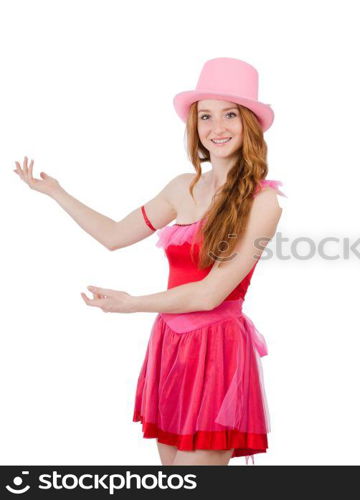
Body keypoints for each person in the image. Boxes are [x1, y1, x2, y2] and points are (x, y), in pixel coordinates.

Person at [13, 57, 284, 466]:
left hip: (217, 351)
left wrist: (131, 303)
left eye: (230, 114)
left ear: (249, 123)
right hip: (171, 345)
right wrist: (56, 192)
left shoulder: (263, 203)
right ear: (195, 126)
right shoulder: (181, 188)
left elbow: (210, 295)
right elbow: (114, 236)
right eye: (206, 116)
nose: (217, 127)